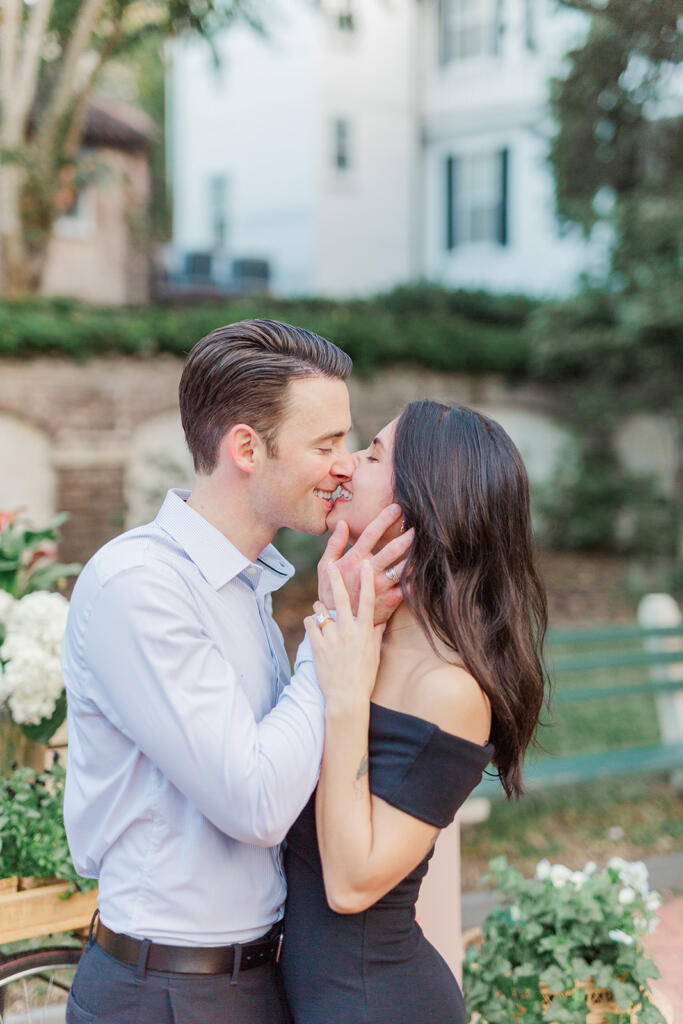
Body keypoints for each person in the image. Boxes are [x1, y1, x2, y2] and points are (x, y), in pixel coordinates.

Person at [61, 319, 413, 1024]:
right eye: (324, 444)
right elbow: (252, 800)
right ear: (247, 448)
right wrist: (333, 632)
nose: (344, 465)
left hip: (250, 978)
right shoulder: (142, 585)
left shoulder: (244, 583)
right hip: (165, 992)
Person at [281, 400, 548, 1024]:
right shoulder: (367, 630)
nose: (345, 466)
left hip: (374, 1003)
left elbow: (351, 885)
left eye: (372, 455)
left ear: (427, 501)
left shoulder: (449, 690)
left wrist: (345, 695)